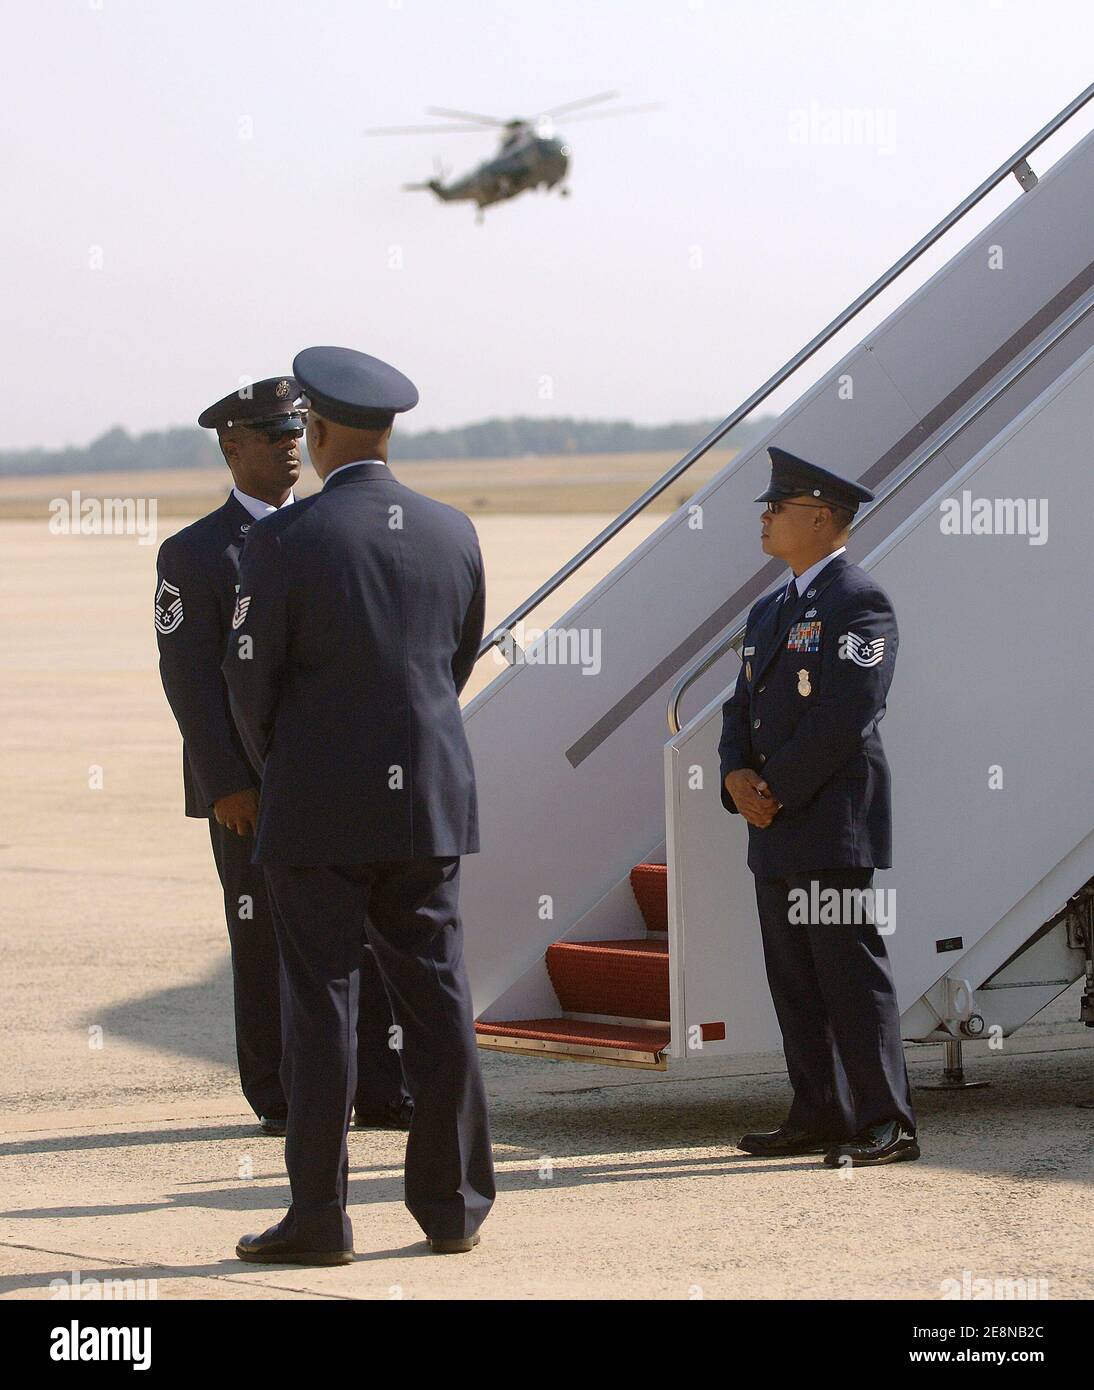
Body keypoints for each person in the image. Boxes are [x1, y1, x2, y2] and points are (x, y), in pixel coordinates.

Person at [225, 345, 495, 1265]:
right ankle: (453, 1206)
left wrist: (285, 766)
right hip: (425, 800)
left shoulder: (283, 539)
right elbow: (453, 664)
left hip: (317, 808)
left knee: (321, 1006)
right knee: (439, 996)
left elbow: (248, 680)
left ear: (320, 428)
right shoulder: (452, 529)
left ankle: (318, 1218)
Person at [155, 376, 411, 1137]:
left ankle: (382, 1087)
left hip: (342, 782)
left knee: (369, 935)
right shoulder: (196, 553)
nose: (289, 446)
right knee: (265, 936)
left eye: (296, 431)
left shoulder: (334, 531)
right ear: (232, 449)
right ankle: (280, 1092)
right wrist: (228, 784)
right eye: (271, 437)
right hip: (255, 794)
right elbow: (191, 682)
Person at [718, 446, 918, 1168]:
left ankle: (886, 1120)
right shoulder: (773, 606)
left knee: (848, 974)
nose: (766, 518)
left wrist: (777, 789)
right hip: (775, 824)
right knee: (794, 977)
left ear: (824, 518)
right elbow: (740, 703)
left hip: (830, 821)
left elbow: (848, 711)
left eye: (780, 508)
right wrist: (736, 773)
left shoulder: (858, 601)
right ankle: (820, 1111)